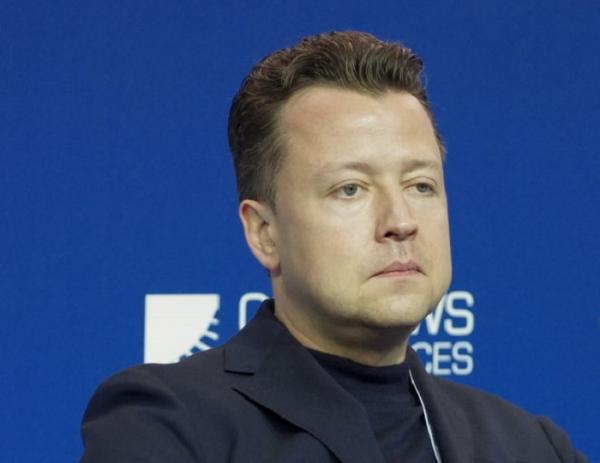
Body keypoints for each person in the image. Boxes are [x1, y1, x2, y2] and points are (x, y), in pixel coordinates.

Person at [80, 31, 588, 462]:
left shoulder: (532, 446)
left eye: (420, 185)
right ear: (264, 232)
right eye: (350, 189)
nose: (400, 222)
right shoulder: (168, 424)